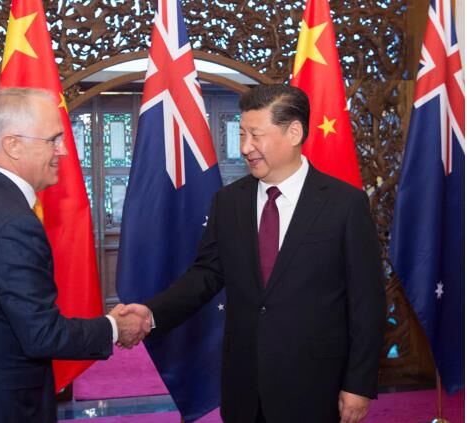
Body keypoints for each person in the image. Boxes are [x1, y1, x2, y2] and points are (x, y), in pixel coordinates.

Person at [122, 84, 386, 423]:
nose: (245, 147)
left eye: (256, 135)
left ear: (294, 132)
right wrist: (151, 313)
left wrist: (359, 384)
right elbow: (206, 274)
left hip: (315, 386)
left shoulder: (344, 204)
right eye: (242, 134)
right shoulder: (228, 202)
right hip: (244, 386)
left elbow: (367, 302)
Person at [0, 88, 150, 423]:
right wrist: (114, 327)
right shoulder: (14, 223)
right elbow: (42, 335)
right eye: (53, 140)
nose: (63, 150)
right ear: (13, 145)